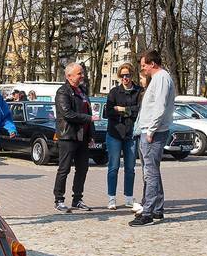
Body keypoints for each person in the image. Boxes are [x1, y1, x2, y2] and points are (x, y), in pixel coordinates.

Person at [130, 50, 175, 227]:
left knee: (150, 172)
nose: (143, 69)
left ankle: (147, 212)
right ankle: (156, 208)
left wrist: (150, 130)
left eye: (144, 65)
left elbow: (160, 106)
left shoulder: (161, 78)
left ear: (152, 64)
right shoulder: (158, 79)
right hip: (150, 130)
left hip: (153, 132)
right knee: (153, 170)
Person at [53, 63, 94, 212]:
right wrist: (88, 118)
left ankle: (77, 199)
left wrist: (91, 135)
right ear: (69, 76)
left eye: (82, 73)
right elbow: (67, 114)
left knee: (82, 168)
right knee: (64, 169)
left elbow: (88, 113)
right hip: (68, 135)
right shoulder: (63, 91)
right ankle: (59, 199)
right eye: (79, 73)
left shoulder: (82, 91)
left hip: (82, 136)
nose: (82, 76)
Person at [104, 63, 141, 210]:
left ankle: (129, 198)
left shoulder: (139, 91)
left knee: (130, 168)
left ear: (132, 75)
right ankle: (111, 198)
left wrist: (122, 109)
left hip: (131, 134)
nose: (125, 78)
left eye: (128, 75)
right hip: (114, 133)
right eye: (122, 75)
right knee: (113, 166)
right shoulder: (114, 92)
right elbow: (108, 112)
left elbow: (140, 110)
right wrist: (128, 111)